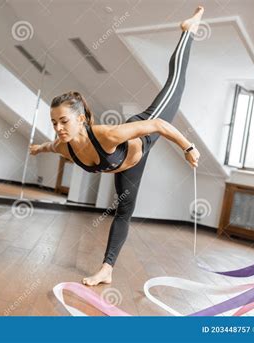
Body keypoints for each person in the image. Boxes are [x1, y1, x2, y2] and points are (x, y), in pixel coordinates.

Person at [30, 6, 204, 286]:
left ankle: (188, 31)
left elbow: (158, 126)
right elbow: (53, 147)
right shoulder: (67, 147)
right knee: (124, 212)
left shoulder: (107, 135)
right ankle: (107, 269)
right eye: (54, 122)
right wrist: (39, 148)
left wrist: (188, 147)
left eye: (63, 121)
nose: (59, 128)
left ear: (81, 119)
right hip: (129, 167)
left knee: (175, 85)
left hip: (144, 133)